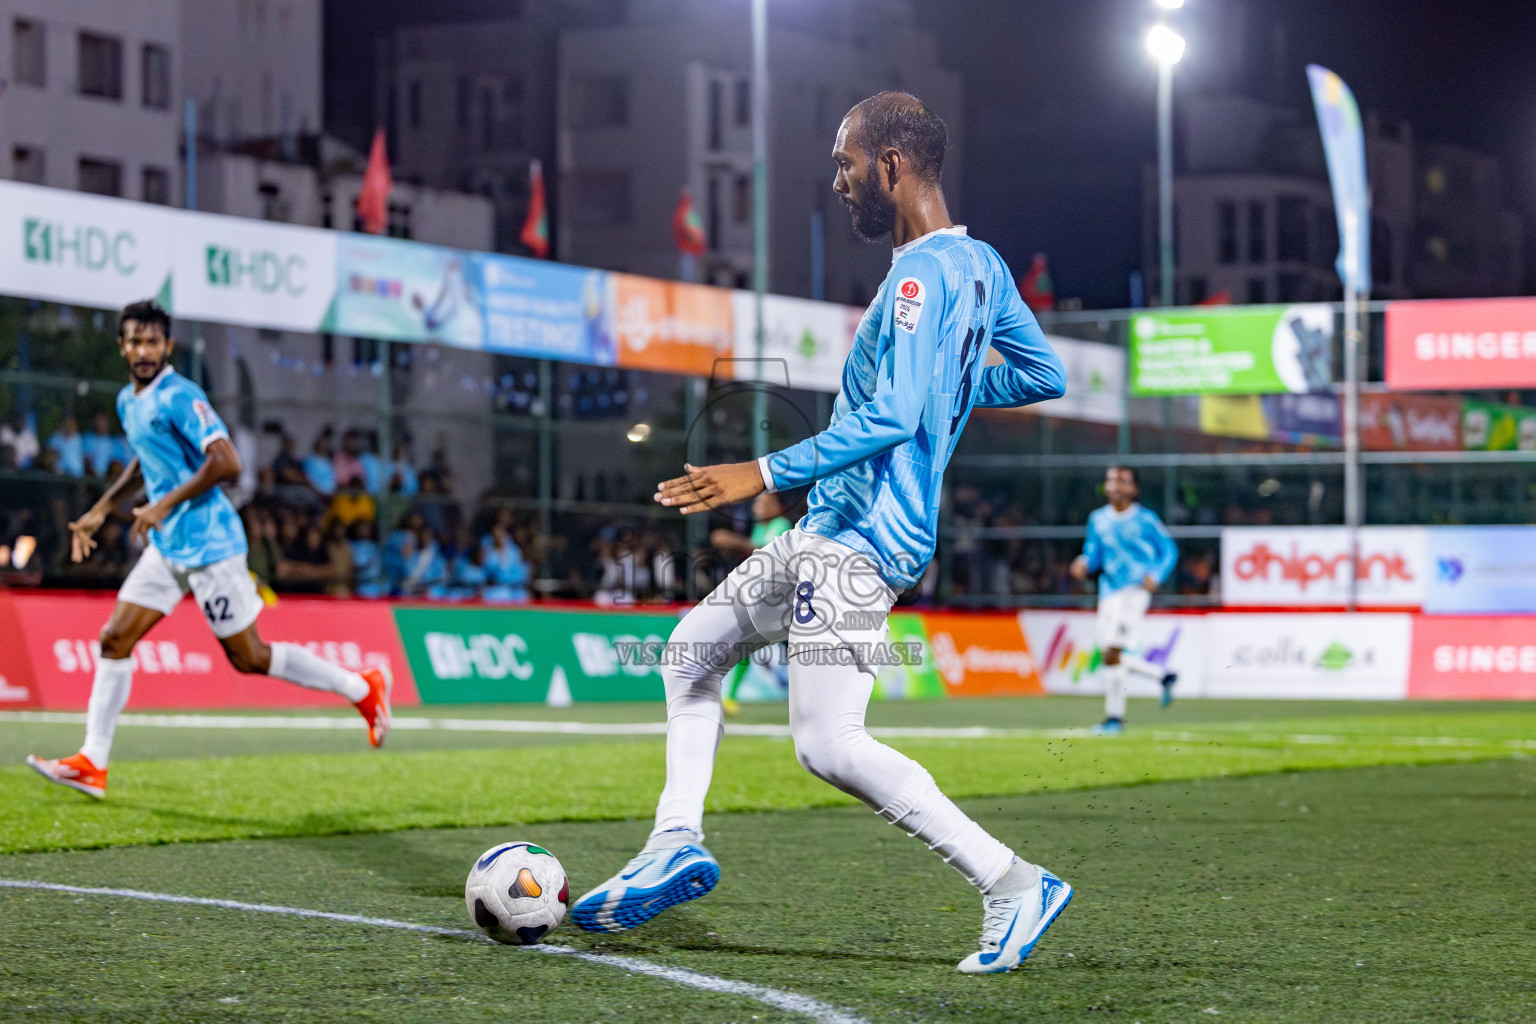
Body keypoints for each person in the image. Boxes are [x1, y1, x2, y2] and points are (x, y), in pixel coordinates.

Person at [571, 93, 1070, 975]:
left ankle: (1013, 882)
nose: (836, 181)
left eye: (845, 163)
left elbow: (891, 414)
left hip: (864, 536)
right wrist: (947, 397)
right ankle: (674, 841)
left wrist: (758, 471)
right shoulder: (980, 264)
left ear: (891, 165)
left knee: (828, 744)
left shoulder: (918, 279)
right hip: (831, 526)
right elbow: (1042, 373)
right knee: (691, 653)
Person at [26, 301, 391, 801]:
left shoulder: (181, 395)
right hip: (167, 545)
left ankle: (362, 688)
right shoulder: (129, 401)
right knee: (114, 639)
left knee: (250, 657)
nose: (144, 350)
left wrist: (162, 505)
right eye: (134, 341)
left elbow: (227, 463)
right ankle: (93, 760)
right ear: (122, 346)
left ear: (167, 346)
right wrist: (103, 507)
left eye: (153, 341)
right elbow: (145, 456)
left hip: (211, 545)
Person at [1069, 465, 1180, 734]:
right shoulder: (1097, 519)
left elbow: (1169, 550)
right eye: (1111, 481)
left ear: (1133, 489)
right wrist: (1083, 563)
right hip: (1108, 592)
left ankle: (1114, 720)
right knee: (1109, 654)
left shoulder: (1145, 519)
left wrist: (1156, 574)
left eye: (1122, 481)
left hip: (1134, 591)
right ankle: (1162, 676)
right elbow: (1093, 553)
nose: (1115, 486)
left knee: (1112, 652)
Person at [709, 491, 794, 715]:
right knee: (746, 645)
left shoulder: (781, 524)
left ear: (777, 506)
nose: (757, 506)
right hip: (767, 600)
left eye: (763, 501)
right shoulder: (760, 527)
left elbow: (766, 551)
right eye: (756, 502)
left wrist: (733, 541)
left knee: (798, 651)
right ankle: (730, 698)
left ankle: (815, 697)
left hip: (787, 601)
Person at [83, 411, 128, 478]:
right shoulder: (88, 439)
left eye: (103, 421)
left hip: (109, 479)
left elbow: (118, 463)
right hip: (90, 478)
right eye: (99, 420)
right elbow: (85, 459)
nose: (101, 424)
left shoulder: (115, 443)